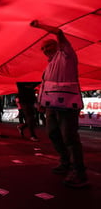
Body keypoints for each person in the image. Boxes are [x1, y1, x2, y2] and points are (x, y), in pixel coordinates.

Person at [31, 20, 88, 188]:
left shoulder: (66, 55)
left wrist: (41, 25)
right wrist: (41, 103)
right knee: (53, 134)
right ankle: (66, 162)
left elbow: (59, 32)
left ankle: (80, 173)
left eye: (48, 46)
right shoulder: (48, 66)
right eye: (42, 49)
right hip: (51, 106)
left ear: (58, 46)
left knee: (70, 137)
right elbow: (47, 85)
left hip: (67, 106)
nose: (45, 50)